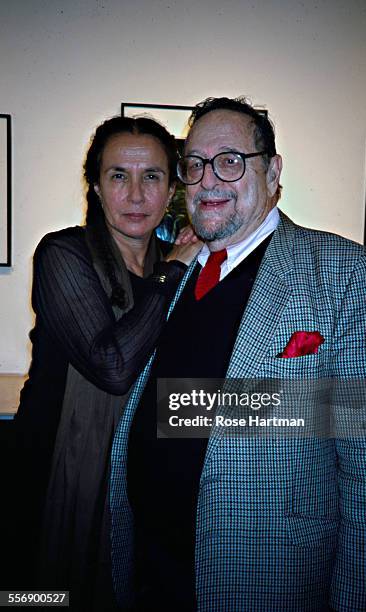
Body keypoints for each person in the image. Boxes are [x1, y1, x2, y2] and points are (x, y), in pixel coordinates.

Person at [116, 98, 366, 611]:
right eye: (195, 164)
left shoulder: (344, 273)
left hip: (265, 573)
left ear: (272, 172)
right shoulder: (173, 271)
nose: (208, 179)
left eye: (230, 160)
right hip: (150, 570)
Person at [12, 116, 200, 610]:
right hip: (55, 470)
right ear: (96, 186)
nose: (136, 195)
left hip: (140, 475)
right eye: (119, 176)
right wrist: (174, 273)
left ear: (172, 188)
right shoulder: (63, 253)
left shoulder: (177, 261)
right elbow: (113, 367)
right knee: (42, 598)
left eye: (152, 177)